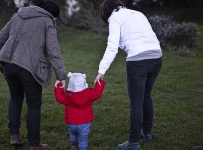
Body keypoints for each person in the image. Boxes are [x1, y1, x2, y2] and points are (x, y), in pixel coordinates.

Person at [0, 0, 66, 149]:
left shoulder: (18, 15)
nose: (55, 21)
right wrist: (61, 76)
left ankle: (14, 135)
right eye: (56, 19)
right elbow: (53, 51)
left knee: (15, 98)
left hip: (8, 64)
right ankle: (34, 144)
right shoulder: (47, 21)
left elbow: (0, 37)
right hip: (29, 67)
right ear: (52, 14)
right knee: (33, 104)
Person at [94, 0, 162, 150]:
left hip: (138, 61)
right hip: (157, 57)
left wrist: (101, 71)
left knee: (137, 101)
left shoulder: (115, 18)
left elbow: (112, 46)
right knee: (146, 96)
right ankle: (148, 133)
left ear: (106, 12)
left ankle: (133, 142)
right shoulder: (138, 13)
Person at [54, 72, 105, 150]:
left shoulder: (67, 96)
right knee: (83, 139)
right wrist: (100, 81)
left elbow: (59, 98)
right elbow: (97, 94)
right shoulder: (89, 94)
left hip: (71, 122)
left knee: (73, 133)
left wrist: (59, 85)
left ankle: (74, 146)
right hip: (84, 123)